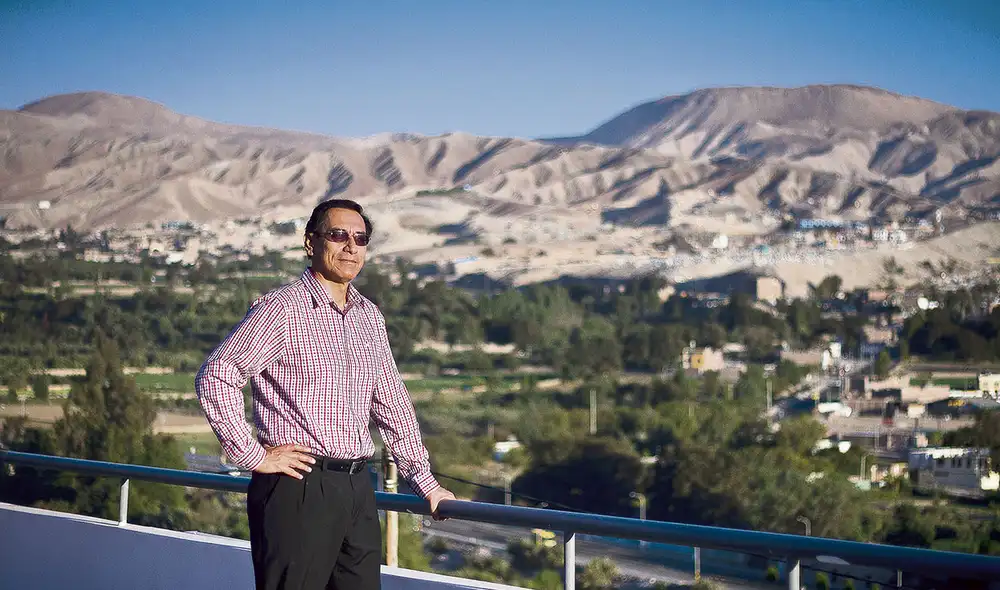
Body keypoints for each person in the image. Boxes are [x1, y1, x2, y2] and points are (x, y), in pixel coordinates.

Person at [195, 198, 455, 590]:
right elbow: (217, 374)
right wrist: (252, 455)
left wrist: (424, 481)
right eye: (338, 235)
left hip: (357, 487)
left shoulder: (369, 316)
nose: (350, 246)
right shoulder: (281, 309)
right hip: (297, 486)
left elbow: (392, 402)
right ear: (310, 242)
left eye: (360, 238)